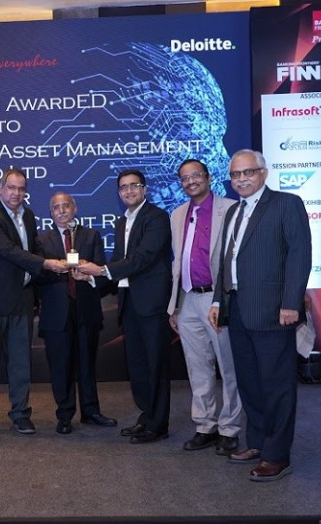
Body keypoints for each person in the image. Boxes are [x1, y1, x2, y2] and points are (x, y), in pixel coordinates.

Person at [209, 149, 311, 482]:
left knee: (276, 384)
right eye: (235, 175)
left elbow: (299, 255)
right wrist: (217, 301)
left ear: (263, 173)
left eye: (248, 172)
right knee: (249, 382)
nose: (241, 179)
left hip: (273, 310)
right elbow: (226, 261)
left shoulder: (286, 204)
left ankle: (277, 455)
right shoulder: (233, 211)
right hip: (237, 308)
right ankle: (256, 442)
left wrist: (291, 303)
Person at [0, 168, 69, 437]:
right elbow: (8, 251)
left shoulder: (27, 215)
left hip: (22, 297)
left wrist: (53, 263)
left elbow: (32, 250)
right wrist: (46, 263)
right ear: (0, 188)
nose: (16, 193)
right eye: (11, 187)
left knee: (20, 361)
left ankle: (21, 414)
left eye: (21, 188)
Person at [79, 169, 173, 444]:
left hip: (151, 303)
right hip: (129, 303)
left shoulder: (157, 217)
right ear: (119, 193)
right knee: (138, 364)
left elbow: (143, 257)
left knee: (155, 364)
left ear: (144, 189)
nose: (129, 191)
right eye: (123, 187)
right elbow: (119, 262)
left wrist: (100, 270)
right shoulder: (122, 222)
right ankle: (147, 416)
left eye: (134, 185)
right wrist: (92, 278)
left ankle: (158, 424)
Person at [168, 159, 242, 455]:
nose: (191, 181)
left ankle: (230, 428)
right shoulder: (177, 213)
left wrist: (222, 299)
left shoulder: (230, 209)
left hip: (218, 298)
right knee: (197, 367)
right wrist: (175, 305)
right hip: (187, 299)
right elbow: (178, 262)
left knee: (228, 366)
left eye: (196, 175)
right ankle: (205, 425)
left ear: (209, 177)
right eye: (185, 178)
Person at [34, 192, 117, 434]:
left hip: (86, 310)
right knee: (60, 366)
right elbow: (37, 276)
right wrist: (54, 269)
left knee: (87, 364)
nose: (61, 211)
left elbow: (103, 272)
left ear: (75, 208)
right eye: (56, 207)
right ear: (51, 213)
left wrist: (88, 276)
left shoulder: (91, 235)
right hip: (55, 314)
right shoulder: (41, 241)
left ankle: (91, 412)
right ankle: (64, 415)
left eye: (66, 206)